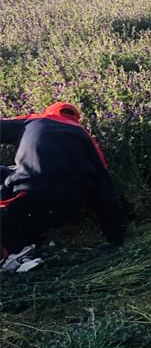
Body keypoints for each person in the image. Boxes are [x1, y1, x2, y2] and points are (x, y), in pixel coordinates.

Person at [1, 102, 125, 268]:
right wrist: (115, 239)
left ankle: (14, 251)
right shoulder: (84, 135)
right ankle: (28, 246)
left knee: (13, 185)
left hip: (27, 199)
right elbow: (105, 189)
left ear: (49, 112)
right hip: (68, 209)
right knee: (20, 186)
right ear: (75, 119)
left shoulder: (34, 121)